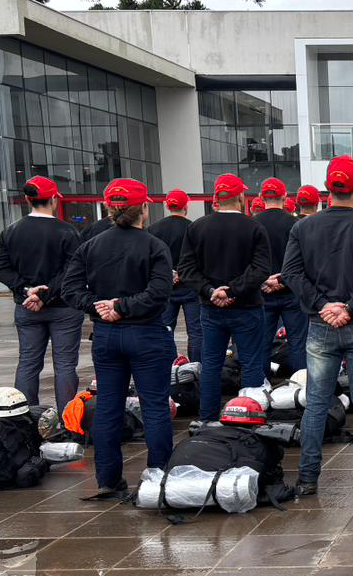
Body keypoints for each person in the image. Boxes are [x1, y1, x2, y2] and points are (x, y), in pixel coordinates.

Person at [281, 154, 353, 496]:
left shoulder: (303, 227)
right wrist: (350, 307)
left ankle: (308, 478)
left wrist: (323, 306)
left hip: (321, 324)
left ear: (328, 186)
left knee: (315, 402)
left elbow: (291, 274)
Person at [60, 178, 174, 498]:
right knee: (154, 407)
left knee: (108, 407)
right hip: (146, 334)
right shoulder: (154, 246)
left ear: (109, 209)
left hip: (107, 336)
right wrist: (122, 307)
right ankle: (157, 476)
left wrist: (101, 308)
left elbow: (69, 290)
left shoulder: (90, 246)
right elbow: (160, 293)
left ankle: (108, 479)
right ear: (144, 208)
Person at [178, 173, 271, 423]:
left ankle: (206, 418)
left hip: (211, 309)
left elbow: (186, 269)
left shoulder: (197, 227)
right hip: (247, 307)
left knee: (210, 365)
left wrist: (211, 291)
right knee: (252, 364)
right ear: (241, 197)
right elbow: (260, 268)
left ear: (216, 198)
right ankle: (248, 417)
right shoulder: (254, 227)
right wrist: (233, 290)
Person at [0, 175, 83, 412]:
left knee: (28, 364)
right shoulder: (68, 232)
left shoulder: (10, 232)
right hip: (63, 307)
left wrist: (26, 291)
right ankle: (67, 419)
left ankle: (24, 417)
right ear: (53, 199)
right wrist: (46, 294)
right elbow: (73, 270)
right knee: (64, 366)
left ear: (27, 199)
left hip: (27, 307)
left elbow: (0, 267)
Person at [254, 178, 307, 374]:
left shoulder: (253, 224)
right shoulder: (295, 224)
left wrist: (264, 280)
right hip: (291, 291)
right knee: (298, 343)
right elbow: (304, 259)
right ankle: (300, 387)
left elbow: (247, 261)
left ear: (261, 196)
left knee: (262, 343)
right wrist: (282, 279)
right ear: (284, 197)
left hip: (261, 292)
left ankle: (261, 386)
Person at [148, 188, 201, 361]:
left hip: (164, 287)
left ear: (167, 205)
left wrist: (168, 272)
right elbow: (199, 258)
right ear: (186, 206)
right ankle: (196, 365)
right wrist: (181, 272)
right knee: (195, 332)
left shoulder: (153, 229)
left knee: (165, 329)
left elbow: (149, 258)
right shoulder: (193, 228)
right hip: (190, 287)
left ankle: (167, 364)